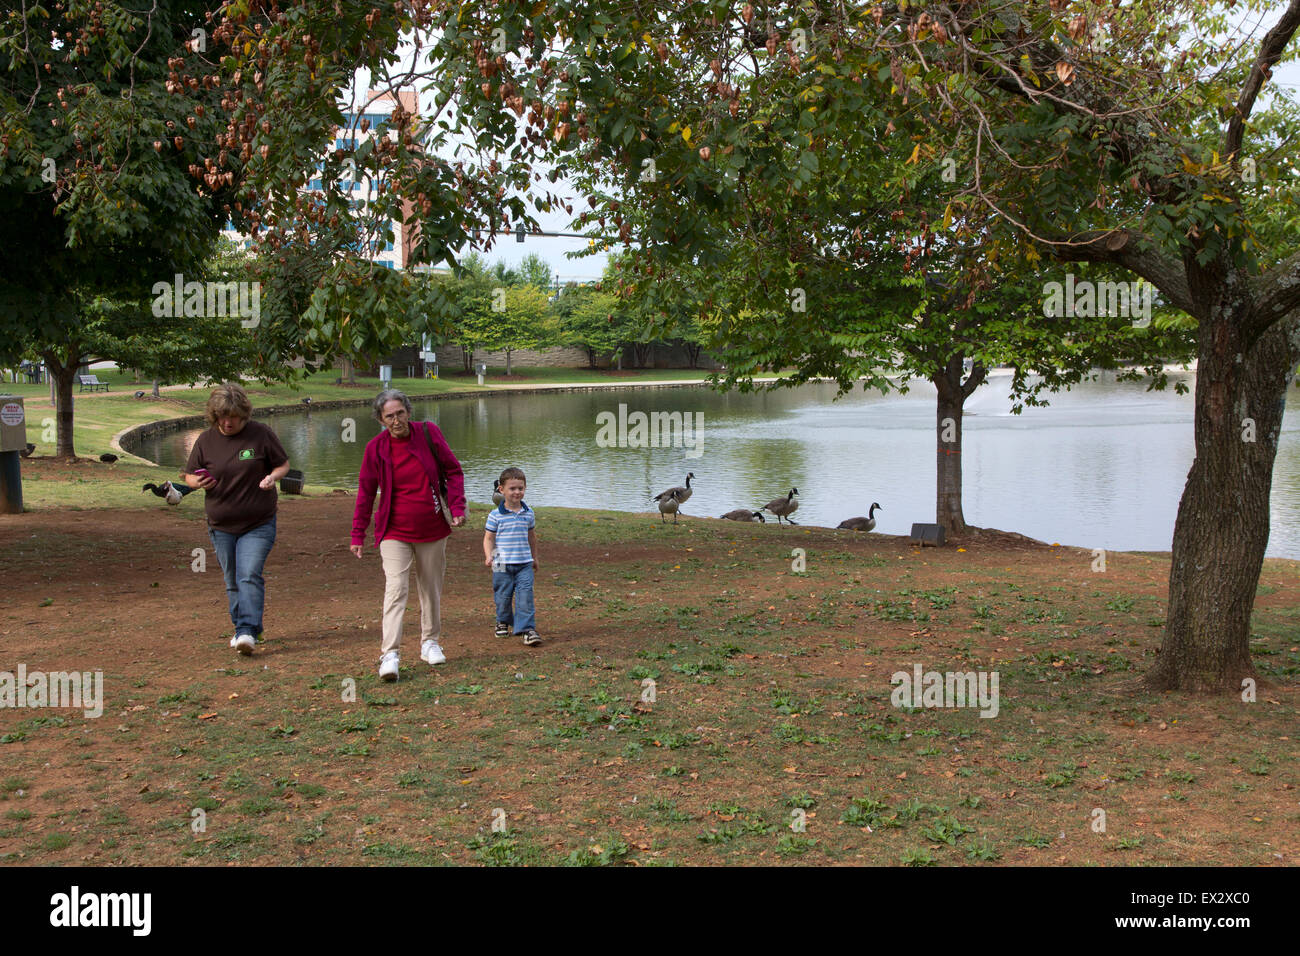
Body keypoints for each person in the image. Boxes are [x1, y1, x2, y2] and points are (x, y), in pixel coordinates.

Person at [351, 389, 466, 682]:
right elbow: (365, 493)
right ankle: (390, 653)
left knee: (430, 588)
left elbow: (453, 471)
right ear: (380, 419)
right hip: (393, 531)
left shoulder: (429, 433)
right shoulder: (375, 448)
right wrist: (357, 533)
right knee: (396, 588)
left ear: (408, 412)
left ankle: (430, 642)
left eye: (400, 413)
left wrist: (456, 506)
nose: (396, 420)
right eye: (389, 416)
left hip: (432, 526)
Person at [183, 383, 291, 655]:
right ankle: (243, 627)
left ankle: (246, 631)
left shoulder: (261, 435)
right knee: (232, 578)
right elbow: (188, 476)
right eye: (222, 416)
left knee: (249, 574)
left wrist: (273, 477)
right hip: (221, 525)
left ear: (244, 414)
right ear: (214, 415)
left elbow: (283, 464)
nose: (228, 422)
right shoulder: (206, 440)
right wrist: (198, 482)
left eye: (233, 417)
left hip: (259, 522)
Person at [483, 467, 541, 647]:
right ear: (501, 490)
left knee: (525, 596)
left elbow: (532, 537)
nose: (517, 492)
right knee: (503, 596)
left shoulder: (528, 513)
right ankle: (502, 621)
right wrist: (488, 556)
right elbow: (488, 538)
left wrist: (535, 557)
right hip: (500, 562)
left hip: (524, 562)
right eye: (512, 488)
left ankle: (527, 630)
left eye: (520, 488)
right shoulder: (495, 516)